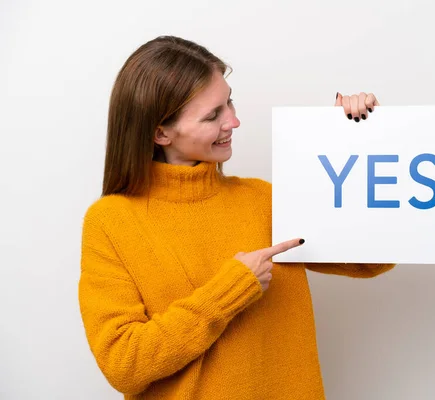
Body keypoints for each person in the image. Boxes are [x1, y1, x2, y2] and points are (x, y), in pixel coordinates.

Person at [78, 35, 396, 400]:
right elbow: (124, 364)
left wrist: (364, 141)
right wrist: (231, 291)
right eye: (213, 115)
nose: (234, 121)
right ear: (160, 132)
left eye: (229, 102)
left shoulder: (265, 199)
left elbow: (371, 261)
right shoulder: (111, 221)